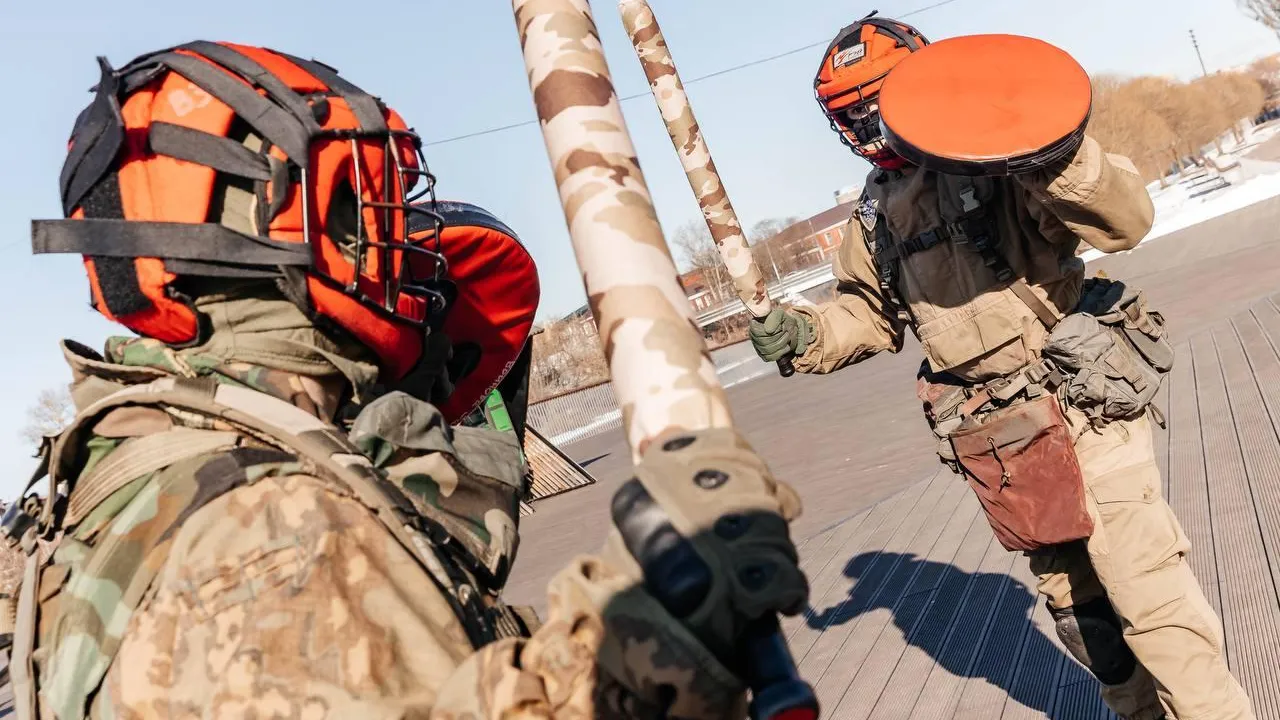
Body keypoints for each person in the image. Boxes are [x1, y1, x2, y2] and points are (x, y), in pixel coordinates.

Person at [2, 42, 806, 719]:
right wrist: (656, 632)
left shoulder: (142, 471)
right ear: (260, 224)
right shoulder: (268, 533)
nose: (399, 233)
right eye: (361, 198)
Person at [749, 14, 1254, 720]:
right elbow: (864, 316)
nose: (865, 129)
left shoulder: (993, 157)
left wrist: (1051, 152)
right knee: (1083, 615)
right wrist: (801, 334)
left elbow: (1124, 220)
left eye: (874, 105)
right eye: (849, 115)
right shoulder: (873, 215)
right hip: (1005, 440)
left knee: (1146, 593)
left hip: (1078, 399)